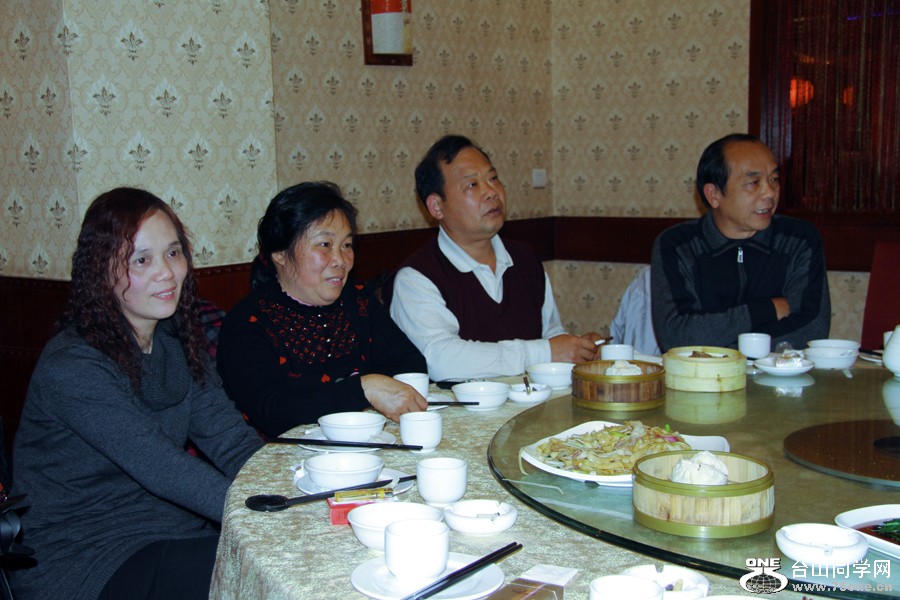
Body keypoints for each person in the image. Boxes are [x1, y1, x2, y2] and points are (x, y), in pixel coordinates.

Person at [11, 188, 263, 600]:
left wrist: (295, 486)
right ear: (101, 270)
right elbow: (164, 469)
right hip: (84, 556)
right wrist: (265, 511)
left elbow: (231, 440)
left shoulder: (176, 343)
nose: (166, 272)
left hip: (168, 530)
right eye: (141, 260)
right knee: (254, 575)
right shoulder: (73, 364)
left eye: (173, 253)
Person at [216, 181, 428, 439]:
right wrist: (363, 388)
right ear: (280, 253)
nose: (340, 260)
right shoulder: (248, 323)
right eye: (325, 245)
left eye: (346, 245)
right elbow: (273, 413)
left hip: (366, 443)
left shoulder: (358, 300)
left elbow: (410, 363)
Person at [386, 134, 601, 381]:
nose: (491, 192)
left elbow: (550, 335)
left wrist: (578, 348)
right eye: (472, 185)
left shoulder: (525, 259)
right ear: (436, 206)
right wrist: (545, 352)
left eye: (493, 178)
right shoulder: (416, 278)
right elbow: (440, 360)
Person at [651, 133, 831, 352]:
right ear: (714, 195)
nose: (769, 193)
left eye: (773, 180)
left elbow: (811, 331)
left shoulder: (799, 239)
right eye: (753, 183)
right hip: (703, 374)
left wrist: (723, 346)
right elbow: (677, 336)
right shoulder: (677, 245)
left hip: (778, 373)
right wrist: (767, 309)